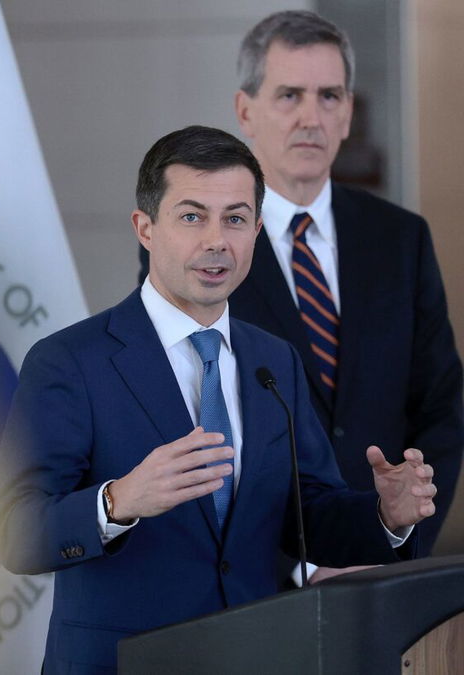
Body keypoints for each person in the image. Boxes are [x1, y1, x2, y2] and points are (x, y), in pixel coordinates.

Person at [0, 125, 437, 674]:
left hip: (257, 655)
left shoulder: (274, 361)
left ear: (256, 230)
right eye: (191, 216)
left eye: (234, 219)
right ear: (145, 228)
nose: (215, 241)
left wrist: (385, 516)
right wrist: (118, 501)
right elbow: (13, 533)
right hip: (119, 663)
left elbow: (309, 513)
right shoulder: (70, 361)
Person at [138, 10, 463, 568]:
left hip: (384, 575)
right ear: (246, 111)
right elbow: (178, 407)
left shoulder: (401, 238)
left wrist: (394, 537)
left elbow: (441, 409)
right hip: (254, 582)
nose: (311, 117)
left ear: (348, 114)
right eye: (290, 95)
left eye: (330, 96)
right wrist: (303, 562)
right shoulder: (196, 243)